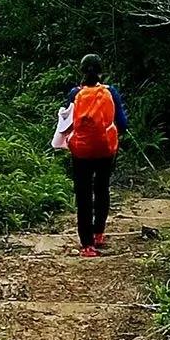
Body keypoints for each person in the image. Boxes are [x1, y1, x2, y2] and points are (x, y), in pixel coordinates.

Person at [65, 55, 128, 258]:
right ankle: (99, 233)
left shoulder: (74, 93)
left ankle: (86, 245)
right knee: (102, 188)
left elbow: (66, 123)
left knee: (83, 194)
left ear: (81, 72)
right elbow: (123, 123)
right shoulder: (111, 92)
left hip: (81, 151)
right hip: (105, 150)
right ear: (102, 71)